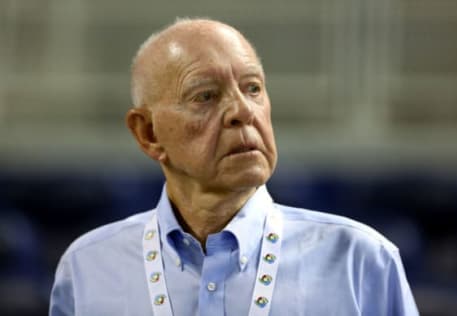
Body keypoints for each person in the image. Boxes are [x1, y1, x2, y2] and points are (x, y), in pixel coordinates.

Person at [49, 18, 419, 316]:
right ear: (148, 133)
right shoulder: (87, 267)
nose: (243, 111)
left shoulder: (361, 260)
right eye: (205, 96)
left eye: (253, 88)